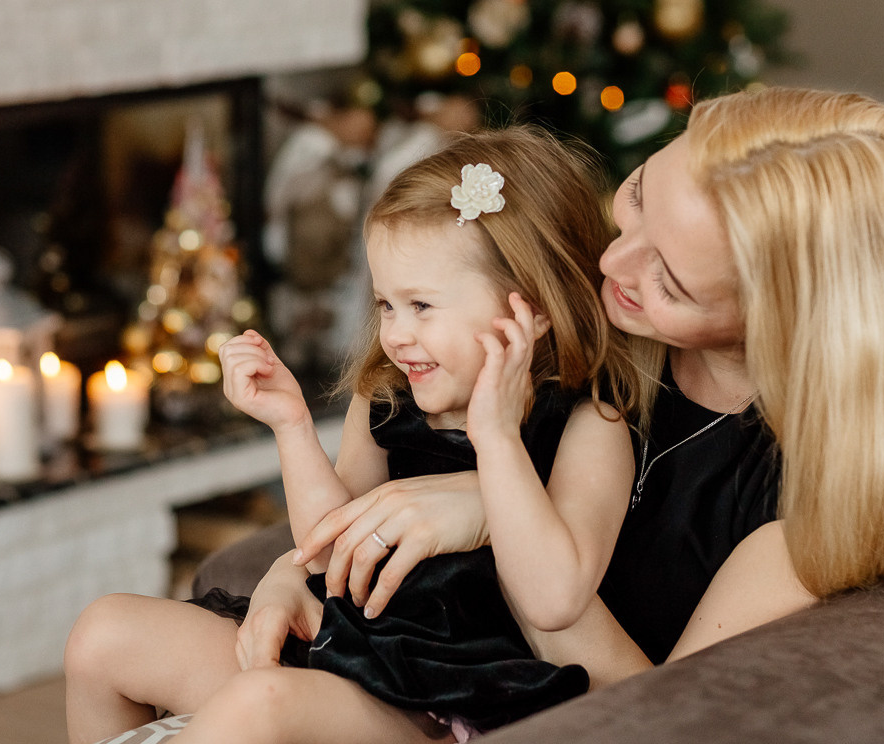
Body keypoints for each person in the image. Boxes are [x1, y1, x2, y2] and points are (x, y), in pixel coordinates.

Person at [220, 86, 884, 698]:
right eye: (634, 197)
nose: (610, 267)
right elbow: (363, 498)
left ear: (787, 320)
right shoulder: (584, 340)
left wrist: (497, 510)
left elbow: (652, 717)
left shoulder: (803, 511)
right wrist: (289, 578)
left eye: (669, 279)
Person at [64, 126, 647, 744]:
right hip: (342, 652)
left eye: (421, 306)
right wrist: (291, 426)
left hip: (442, 702)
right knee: (103, 634)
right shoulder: (387, 397)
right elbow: (327, 550)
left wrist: (497, 436)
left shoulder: (586, 426)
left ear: (530, 310)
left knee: (261, 702)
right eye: (385, 305)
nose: (395, 334)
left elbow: (556, 597)